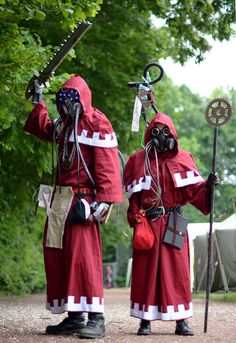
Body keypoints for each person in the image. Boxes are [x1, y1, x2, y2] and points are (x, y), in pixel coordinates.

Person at [24, 75, 123, 339]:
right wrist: (39, 99)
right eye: (62, 99)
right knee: (60, 258)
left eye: (71, 98)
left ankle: (96, 318)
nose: (65, 104)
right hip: (60, 201)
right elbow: (42, 127)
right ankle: (74, 316)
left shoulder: (97, 123)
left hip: (83, 203)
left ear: (81, 99)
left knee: (84, 259)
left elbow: (108, 169)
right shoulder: (64, 125)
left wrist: (101, 204)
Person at [124, 112, 219, 336]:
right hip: (149, 223)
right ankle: (145, 320)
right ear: (150, 135)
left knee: (177, 272)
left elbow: (194, 193)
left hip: (173, 224)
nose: (161, 137)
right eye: (156, 132)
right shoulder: (139, 161)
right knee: (147, 273)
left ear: (173, 134)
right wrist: (136, 218)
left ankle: (181, 320)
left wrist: (209, 186)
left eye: (166, 132)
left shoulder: (183, 158)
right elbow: (133, 199)